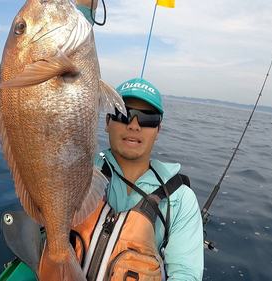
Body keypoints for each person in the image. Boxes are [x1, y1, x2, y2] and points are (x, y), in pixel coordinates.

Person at [72, 1, 205, 280]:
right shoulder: (79, 168)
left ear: (158, 130)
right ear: (106, 121)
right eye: (123, 113)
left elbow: (185, 273)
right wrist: (83, 12)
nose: (134, 124)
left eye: (147, 119)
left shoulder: (180, 200)